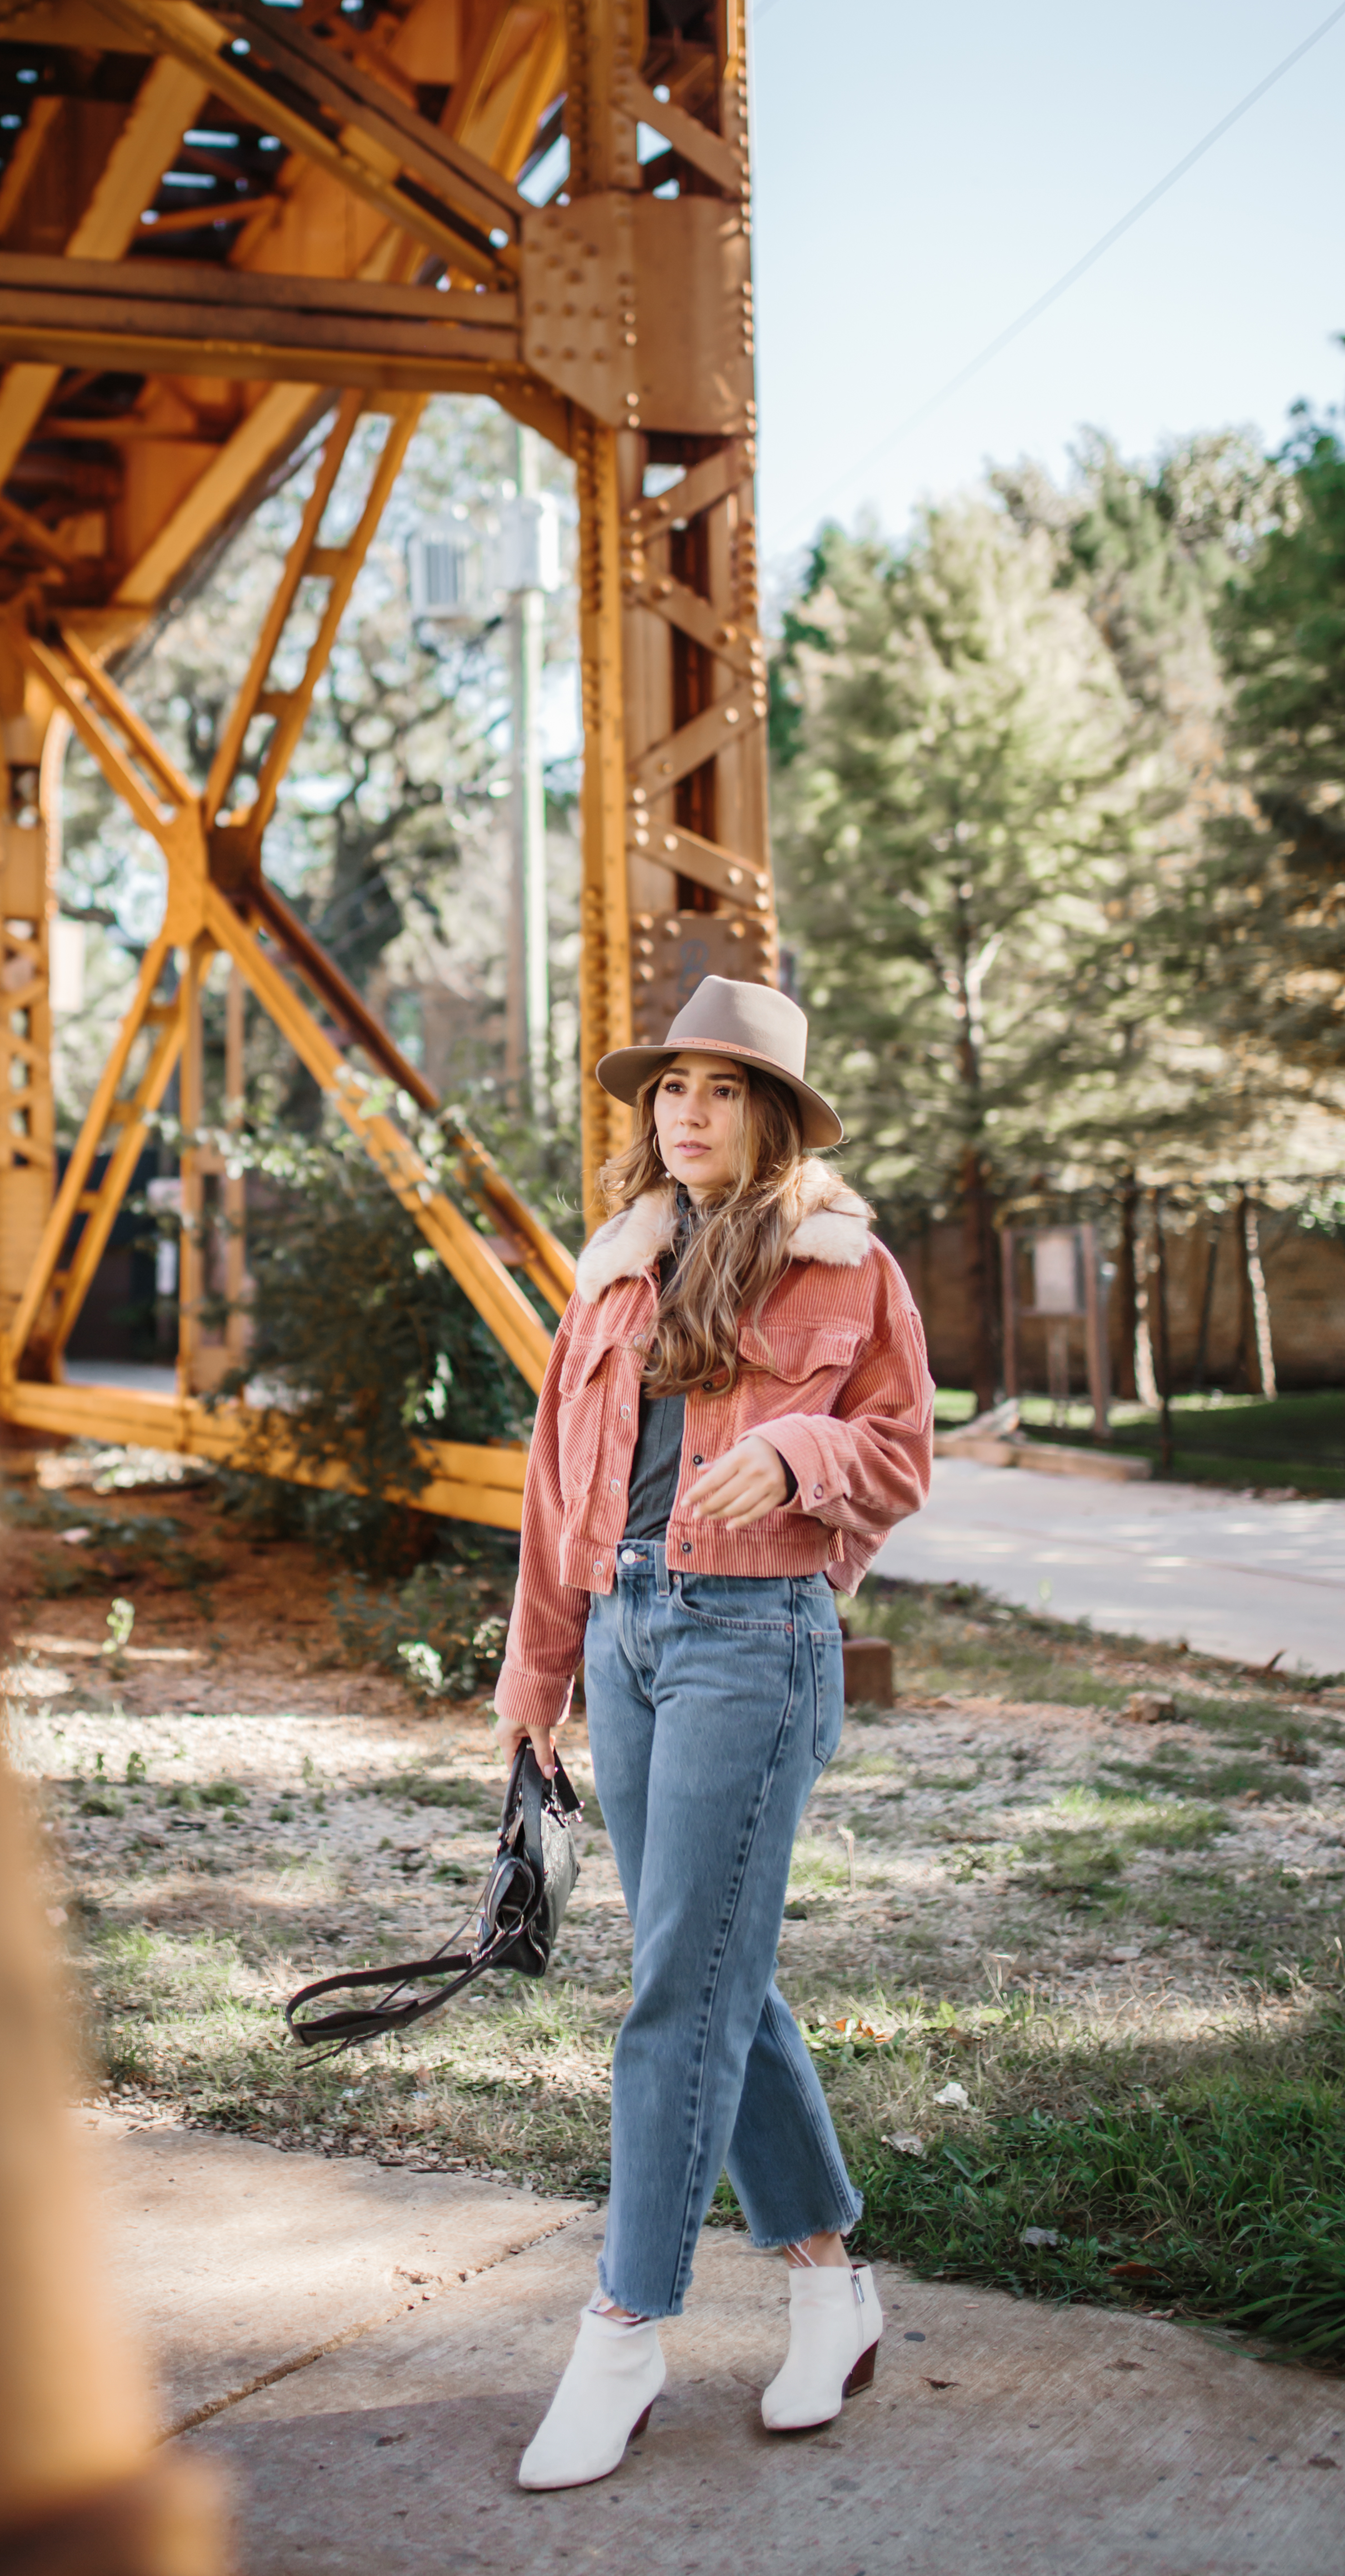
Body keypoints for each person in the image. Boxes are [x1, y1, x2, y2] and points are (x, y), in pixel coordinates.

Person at [494, 975, 933, 2487]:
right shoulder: (614, 1270)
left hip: (756, 1638)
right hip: (621, 1633)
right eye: (668, 1086)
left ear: (774, 1116)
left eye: (720, 1087)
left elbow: (899, 1449)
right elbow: (561, 1492)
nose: (685, 1109)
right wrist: (529, 1688)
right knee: (716, 1962)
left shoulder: (846, 1268)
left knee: (676, 1979)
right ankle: (830, 2280)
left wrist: (801, 1456)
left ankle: (621, 2327)